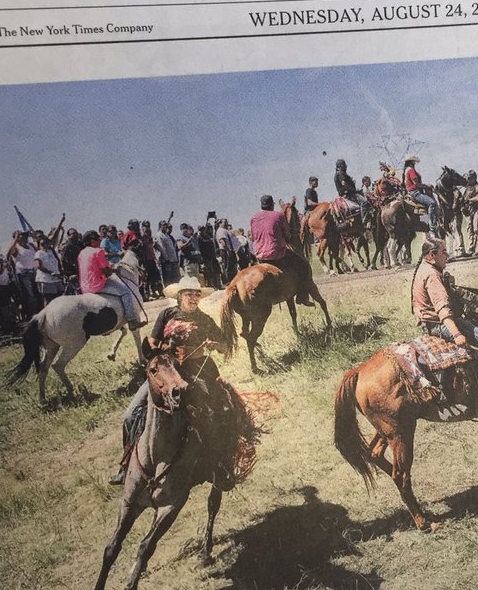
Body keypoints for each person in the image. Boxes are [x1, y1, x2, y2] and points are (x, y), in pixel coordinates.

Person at [110, 275, 225, 484]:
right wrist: (160, 353)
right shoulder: (167, 314)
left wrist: (214, 344)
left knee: (213, 412)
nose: (193, 299)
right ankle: (125, 465)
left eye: (197, 295)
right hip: (167, 372)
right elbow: (153, 342)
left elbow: (224, 345)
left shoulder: (205, 320)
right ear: (180, 296)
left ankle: (215, 463)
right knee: (129, 416)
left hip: (196, 371)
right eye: (189, 294)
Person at [411, 237, 478, 414]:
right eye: (444, 252)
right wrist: (456, 334)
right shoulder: (431, 275)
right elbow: (443, 309)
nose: (447, 255)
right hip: (440, 324)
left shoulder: (426, 269)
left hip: (431, 322)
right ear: (432, 255)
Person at [249, 194, 315, 306]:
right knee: (303, 264)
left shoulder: (253, 218)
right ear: (272, 205)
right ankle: (302, 296)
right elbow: (288, 235)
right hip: (277, 254)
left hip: (260, 256)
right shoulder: (278, 215)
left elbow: (253, 237)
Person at [77, 230, 144, 330]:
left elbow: (94, 267)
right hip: (97, 285)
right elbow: (107, 271)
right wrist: (116, 270)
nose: (100, 240)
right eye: (97, 239)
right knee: (126, 292)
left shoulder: (81, 253)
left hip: (84, 287)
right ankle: (132, 320)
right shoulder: (98, 251)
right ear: (92, 241)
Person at [403, 154, 439, 229]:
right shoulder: (411, 170)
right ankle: (432, 225)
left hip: (410, 192)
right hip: (415, 193)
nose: (415, 164)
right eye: (414, 162)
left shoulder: (406, 170)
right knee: (432, 203)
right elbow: (417, 184)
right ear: (411, 162)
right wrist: (427, 186)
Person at [33, 235, 63, 305]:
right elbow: (38, 265)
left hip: (56, 278)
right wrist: (51, 272)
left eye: (46, 242)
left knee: (59, 298)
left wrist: (60, 272)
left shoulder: (51, 252)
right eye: (42, 244)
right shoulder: (39, 253)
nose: (45, 245)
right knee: (49, 299)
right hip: (46, 280)